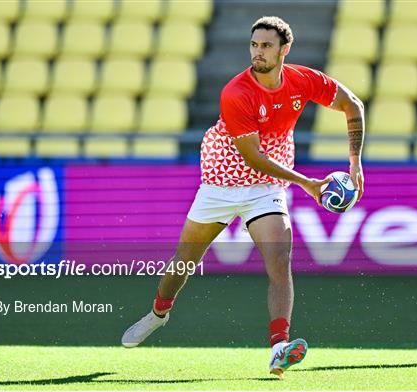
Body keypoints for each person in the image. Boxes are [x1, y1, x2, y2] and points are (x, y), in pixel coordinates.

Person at [122, 16, 365, 378]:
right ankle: (159, 312)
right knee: (184, 261)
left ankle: (279, 347)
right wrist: (308, 184)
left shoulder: (303, 80)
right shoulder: (237, 91)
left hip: (266, 188)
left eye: (266, 46)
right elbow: (254, 157)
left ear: (285, 50)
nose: (257, 52)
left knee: (280, 259)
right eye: (254, 45)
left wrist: (355, 161)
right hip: (222, 183)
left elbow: (353, 105)